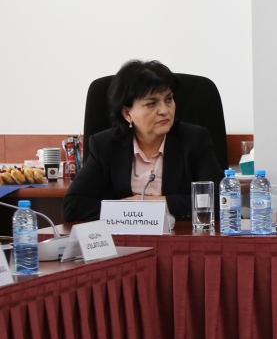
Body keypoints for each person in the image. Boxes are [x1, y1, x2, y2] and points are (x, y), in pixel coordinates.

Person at [63, 60, 224, 222]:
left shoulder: (193, 139)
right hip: (123, 236)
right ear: (127, 113)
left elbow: (221, 199)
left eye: (168, 100)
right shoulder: (105, 145)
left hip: (178, 234)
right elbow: (73, 206)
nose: (164, 110)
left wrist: (155, 204)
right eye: (151, 104)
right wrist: (129, 209)